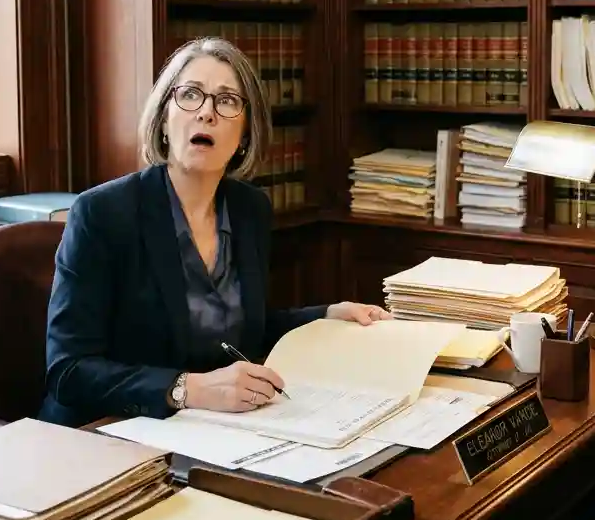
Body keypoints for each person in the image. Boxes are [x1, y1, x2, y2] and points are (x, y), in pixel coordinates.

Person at [40, 36, 390, 428]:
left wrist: (325, 318)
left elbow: (241, 332)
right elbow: (69, 371)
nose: (206, 113)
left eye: (226, 101)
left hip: (206, 429)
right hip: (105, 431)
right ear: (164, 119)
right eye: (191, 95)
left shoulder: (248, 209)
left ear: (244, 135)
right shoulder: (103, 213)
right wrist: (185, 389)